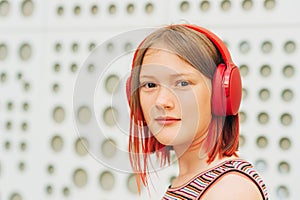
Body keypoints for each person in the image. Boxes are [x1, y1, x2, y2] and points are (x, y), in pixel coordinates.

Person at [126, 24, 269, 200]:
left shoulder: (230, 190)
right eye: (150, 85)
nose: (161, 101)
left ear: (220, 94)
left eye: (182, 83)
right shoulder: (192, 181)